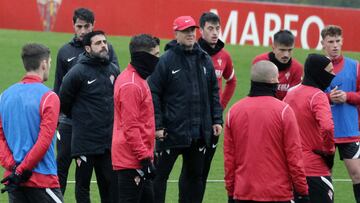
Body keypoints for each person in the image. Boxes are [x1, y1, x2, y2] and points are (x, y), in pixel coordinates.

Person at [148, 15, 223, 203]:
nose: (190, 34)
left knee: (194, 178)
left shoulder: (204, 59)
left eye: (192, 30)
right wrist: (158, 125)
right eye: (185, 31)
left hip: (198, 133)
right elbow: (153, 93)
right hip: (170, 133)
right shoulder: (165, 61)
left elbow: (214, 91)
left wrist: (216, 119)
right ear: (176, 34)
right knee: (159, 177)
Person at [53, 7, 119, 195]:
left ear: (93, 26)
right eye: (79, 26)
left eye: (87, 26)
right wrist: (60, 116)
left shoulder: (107, 49)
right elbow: (59, 87)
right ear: (73, 26)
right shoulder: (65, 52)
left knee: (102, 174)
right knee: (61, 166)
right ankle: (57, 199)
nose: (83, 31)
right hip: (68, 121)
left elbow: (113, 80)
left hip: (96, 124)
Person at [224, 60, 309, 203]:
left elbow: (229, 158)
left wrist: (231, 192)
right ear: (272, 80)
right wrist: (302, 191)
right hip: (278, 194)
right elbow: (294, 155)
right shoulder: (284, 111)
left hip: (243, 193)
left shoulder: (234, 111)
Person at [0, 43, 63, 202]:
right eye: (49, 62)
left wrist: (14, 168)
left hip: (14, 180)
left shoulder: (4, 96)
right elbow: (44, 140)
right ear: (43, 64)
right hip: (41, 180)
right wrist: (22, 170)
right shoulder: (49, 97)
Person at [112, 34, 160, 203]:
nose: (158, 60)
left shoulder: (138, 79)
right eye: (155, 55)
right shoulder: (131, 85)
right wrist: (145, 159)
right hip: (131, 161)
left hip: (137, 158)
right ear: (143, 57)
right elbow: (130, 127)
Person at [284, 54, 335, 203]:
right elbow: (327, 127)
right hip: (314, 169)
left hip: (291, 169)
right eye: (329, 71)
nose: (333, 74)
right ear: (318, 72)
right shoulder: (318, 96)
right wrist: (329, 153)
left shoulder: (290, 93)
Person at [197, 11, 237, 200]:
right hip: (192, 117)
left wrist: (220, 107)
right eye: (210, 28)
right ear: (201, 30)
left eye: (217, 28)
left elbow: (232, 81)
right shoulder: (193, 51)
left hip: (213, 120)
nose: (215, 32)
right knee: (191, 168)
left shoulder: (225, 56)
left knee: (204, 169)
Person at [321, 25, 360, 203]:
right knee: (322, 177)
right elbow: (307, 96)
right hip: (322, 133)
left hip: (349, 132)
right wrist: (328, 98)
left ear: (342, 41)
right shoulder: (316, 66)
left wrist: (348, 96)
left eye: (337, 41)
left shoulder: (355, 66)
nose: (335, 45)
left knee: (358, 175)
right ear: (323, 43)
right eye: (330, 42)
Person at [252, 30, 302, 100]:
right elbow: (256, 91)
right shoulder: (260, 62)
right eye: (282, 50)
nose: (286, 55)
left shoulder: (297, 68)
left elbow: (293, 98)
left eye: (289, 50)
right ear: (273, 48)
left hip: (284, 108)